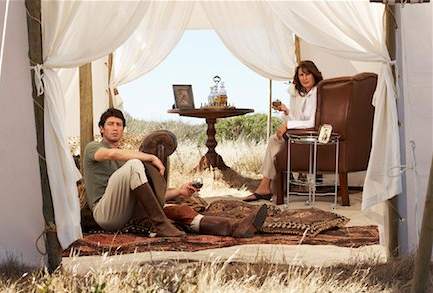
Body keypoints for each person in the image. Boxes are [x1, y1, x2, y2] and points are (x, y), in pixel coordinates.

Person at [83, 108, 267, 237]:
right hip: (105, 214)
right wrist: (150, 158)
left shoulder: (126, 159)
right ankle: (161, 224)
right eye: (110, 124)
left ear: (123, 129)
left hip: (127, 212)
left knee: (180, 211)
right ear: (101, 128)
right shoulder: (94, 148)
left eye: (119, 125)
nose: (115, 128)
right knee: (135, 164)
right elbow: (111, 153)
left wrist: (179, 192)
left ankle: (236, 227)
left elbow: (145, 193)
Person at [244, 60, 323, 202]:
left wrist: (287, 126)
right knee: (275, 139)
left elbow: (313, 123)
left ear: (314, 75)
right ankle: (266, 186)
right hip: (302, 136)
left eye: (307, 74)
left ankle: (265, 187)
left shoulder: (318, 94)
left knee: (275, 140)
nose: (304, 78)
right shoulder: (306, 95)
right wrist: (286, 111)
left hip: (312, 139)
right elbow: (300, 122)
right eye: (301, 75)